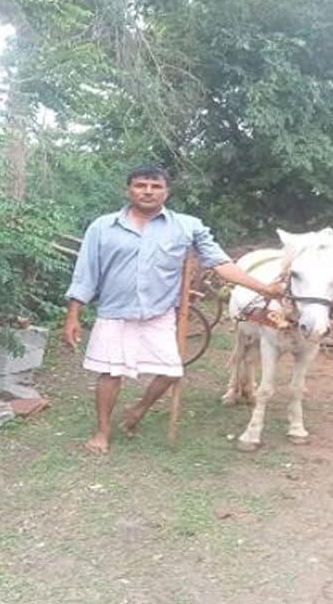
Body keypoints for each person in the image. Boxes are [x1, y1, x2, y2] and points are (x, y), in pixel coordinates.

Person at [61, 165, 285, 454]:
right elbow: (85, 273)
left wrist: (264, 289)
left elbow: (221, 263)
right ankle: (102, 432)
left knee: (171, 371)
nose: (148, 191)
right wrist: (73, 314)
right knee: (109, 374)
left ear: (167, 192)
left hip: (159, 313)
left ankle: (137, 410)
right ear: (128, 189)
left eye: (156, 186)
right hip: (114, 312)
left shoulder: (187, 226)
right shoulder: (102, 227)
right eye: (141, 185)